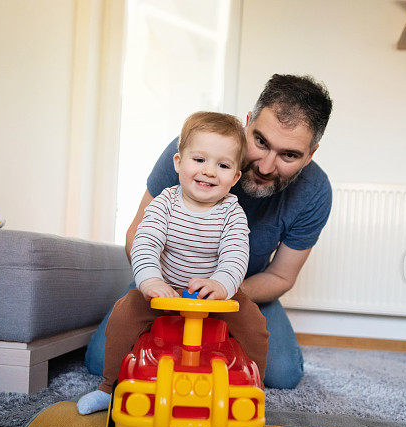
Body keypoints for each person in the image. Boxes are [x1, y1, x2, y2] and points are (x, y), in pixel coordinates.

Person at [85, 73, 333, 390]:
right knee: (99, 361)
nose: (267, 166)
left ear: (310, 155)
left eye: (289, 155)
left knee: (282, 374)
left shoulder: (315, 191)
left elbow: (281, 277)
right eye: (260, 142)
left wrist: (218, 294)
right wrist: (162, 288)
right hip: (166, 284)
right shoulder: (192, 154)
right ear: (248, 123)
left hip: (239, 289)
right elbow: (137, 236)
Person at [78, 111, 269, 414]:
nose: (209, 172)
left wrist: (221, 284)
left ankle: (250, 391)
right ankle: (109, 387)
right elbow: (145, 243)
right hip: (164, 291)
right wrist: (151, 280)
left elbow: (235, 255)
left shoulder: (233, 213)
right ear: (179, 163)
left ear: (234, 177)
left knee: (255, 324)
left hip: (214, 298)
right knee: (123, 315)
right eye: (199, 160)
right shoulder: (164, 204)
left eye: (222, 165)